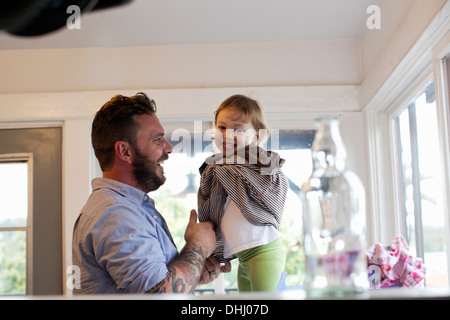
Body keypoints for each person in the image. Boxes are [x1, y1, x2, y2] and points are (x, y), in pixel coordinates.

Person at [72, 92, 230, 294]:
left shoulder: (128, 207)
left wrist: (192, 271)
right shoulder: (116, 214)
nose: (169, 148)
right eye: (158, 140)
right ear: (125, 152)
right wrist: (198, 247)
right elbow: (158, 296)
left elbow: (154, 287)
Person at [197, 94, 288, 292]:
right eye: (222, 127)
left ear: (256, 136)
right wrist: (218, 252)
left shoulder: (260, 162)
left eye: (238, 129)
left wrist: (229, 164)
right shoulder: (216, 168)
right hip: (243, 258)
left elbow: (272, 190)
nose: (228, 135)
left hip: (264, 251)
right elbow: (211, 211)